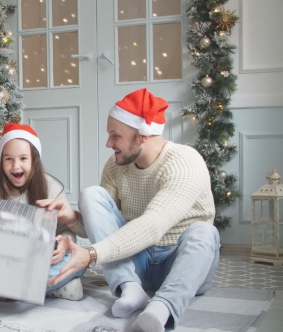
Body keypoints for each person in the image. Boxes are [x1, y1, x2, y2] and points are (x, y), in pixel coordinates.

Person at [49, 89, 220, 332]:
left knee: (204, 232)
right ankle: (130, 289)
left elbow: (152, 226)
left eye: (115, 136)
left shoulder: (185, 163)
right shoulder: (116, 166)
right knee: (91, 194)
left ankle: (161, 309)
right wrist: (74, 219)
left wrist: (90, 255)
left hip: (180, 264)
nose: (109, 144)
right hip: (137, 262)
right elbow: (104, 229)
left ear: (143, 136)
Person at [0, 123, 87, 301]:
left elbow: (66, 229)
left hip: (43, 261)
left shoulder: (52, 188)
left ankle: (19, 288)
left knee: (74, 263)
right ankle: (44, 287)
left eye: (23, 158)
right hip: (10, 263)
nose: (16, 166)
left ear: (34, 160)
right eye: (9, 159)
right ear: (2, 161)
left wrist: (65, 243)